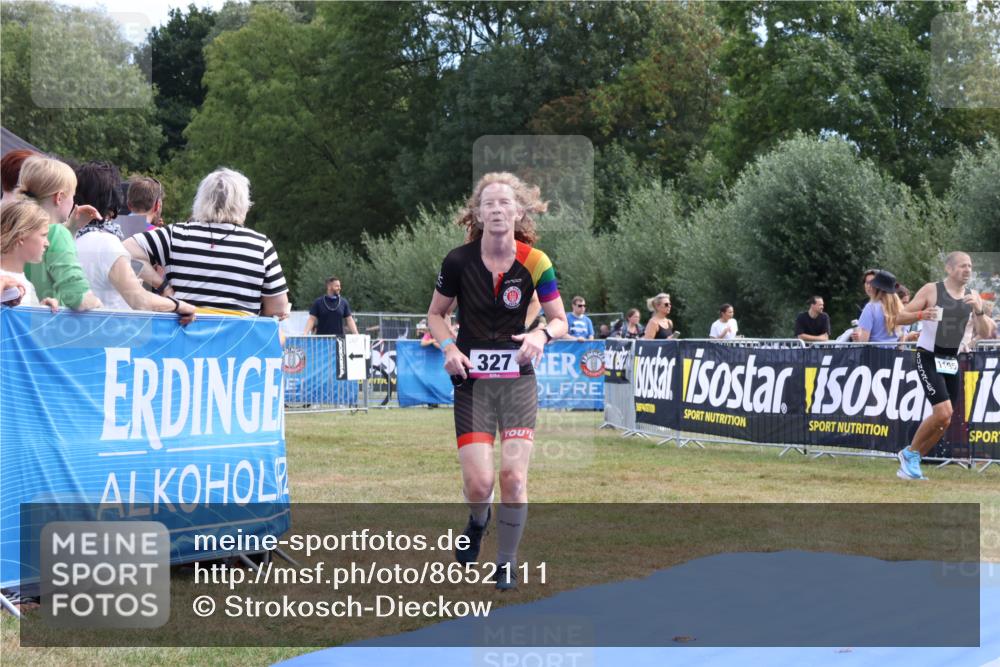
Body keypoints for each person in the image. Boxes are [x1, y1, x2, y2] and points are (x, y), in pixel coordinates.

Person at [427, 172, 568, 591]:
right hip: (473, 383)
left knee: (513, 477)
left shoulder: (536, 261)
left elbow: (559, 319)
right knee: (479, 483)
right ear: (477, 213)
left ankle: (505, 561)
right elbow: (435, 315)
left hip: (518, 381)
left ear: (518, 212)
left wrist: (541, 335)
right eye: (488, 203)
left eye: (505, 203)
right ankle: (477, 519)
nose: (496, 209)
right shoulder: (457, 261)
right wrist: (449, 349)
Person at [124, 168, 289, 317]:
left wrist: (163, 286)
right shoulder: (261, 247)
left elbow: (123, 251)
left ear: (201, 200)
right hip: (237, 346)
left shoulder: (175, 235)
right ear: (244, 204)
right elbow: (278, 310)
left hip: (183, 345)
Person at [894, 252, 996, 480]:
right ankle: (909, 455)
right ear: (949, 269)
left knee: (946, 419)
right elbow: (899, 317)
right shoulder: (932, 290)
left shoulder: (972, 296)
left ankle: (912, 459)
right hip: (928, 355)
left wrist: (979, 310)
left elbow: (985, 332)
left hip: (951, 359)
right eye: (962, 266)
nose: (968, 270)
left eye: (970, 266)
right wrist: (922, 313)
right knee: (943, 411)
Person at [73, 161, 195, 323]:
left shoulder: (66, 238)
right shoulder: (106, 244)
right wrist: (178, 305)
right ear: (114, 198)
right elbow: (140, 301)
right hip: (108, 336)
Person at [16, 156, 103, 311]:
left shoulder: (17, 228)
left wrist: (71, 228)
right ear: (59, 197)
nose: (73, 201)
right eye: (72, 195)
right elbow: (78, 297)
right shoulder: (57, 233)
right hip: (53, 328)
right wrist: (100, 307)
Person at [0, 200, 59, 311]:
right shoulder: (4, 279)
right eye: (43, 235)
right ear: (21, 236)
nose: (47, 243)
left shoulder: (27, 284)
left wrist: (41, 311)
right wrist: (3, 284)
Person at [854, 270, 903, 345]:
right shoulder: (900, 308)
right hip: (894, 354)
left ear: (876, 288)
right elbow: (901, 340)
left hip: (873, 354)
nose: (870, 287)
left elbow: (864, 341)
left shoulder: (870, 307)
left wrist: (857, 338)